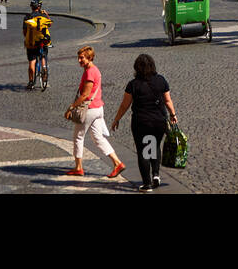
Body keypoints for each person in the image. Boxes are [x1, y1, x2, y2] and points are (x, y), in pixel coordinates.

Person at [111, 54, 177, 191]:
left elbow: (125, 105)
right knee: (154, 145)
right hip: (159, 121)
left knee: (143, 151)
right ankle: (156, 175)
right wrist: (173, 114)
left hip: (141, 122)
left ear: (137, 68)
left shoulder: (133, 85)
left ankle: (147, 184)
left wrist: (117, 119)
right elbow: (168, 101)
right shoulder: (161, 80)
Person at [64, 46, 125, 178]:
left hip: (90, 110)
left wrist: (71, 107)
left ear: (89, 57)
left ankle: (78, 167)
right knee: (98, 138)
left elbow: (85, 95)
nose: (79, 60)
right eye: (79, 57)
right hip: (98, 109)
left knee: (78, 137)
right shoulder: (94, 70)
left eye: (82, 58)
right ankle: (117, 162)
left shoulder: (90, 72)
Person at [23, 0, 53, 88]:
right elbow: (50, 24)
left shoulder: (27, 17)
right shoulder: (43, 16)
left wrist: (26, 39)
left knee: (32, 61)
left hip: (32, 42)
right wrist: (46, 14)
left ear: (31, 7)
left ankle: (31, 82)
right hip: (43, 40)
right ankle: (44, 77)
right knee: (43, 56)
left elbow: (24, 31)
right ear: (39, 7)